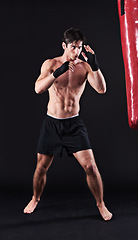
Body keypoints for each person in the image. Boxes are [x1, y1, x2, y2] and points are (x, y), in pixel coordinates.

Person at [23, 28, 113, 221]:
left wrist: (95, 66)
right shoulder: (51, 64)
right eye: (73, 47)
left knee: (90, 166)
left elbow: (101, 89)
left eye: (79, 48)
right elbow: (38, 88)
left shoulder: (85, 66)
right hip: (52, 123)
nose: (77, 51)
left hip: (73, 124)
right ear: (64, 45)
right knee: (41, 167)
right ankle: (35, 198)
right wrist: (57, 73)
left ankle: (101, 204)